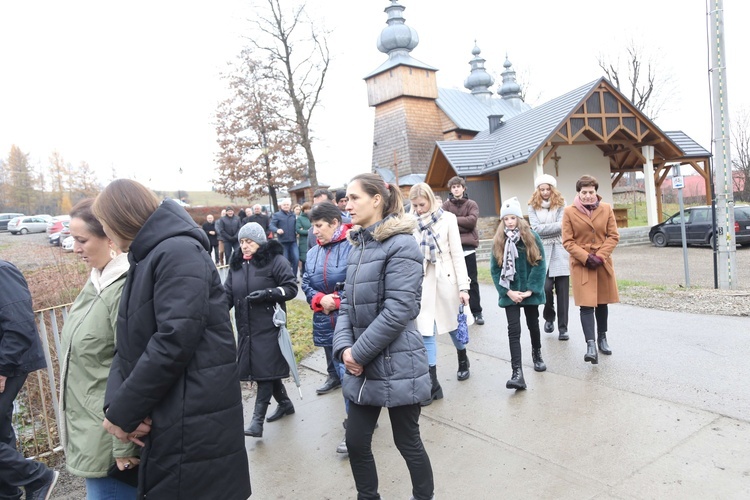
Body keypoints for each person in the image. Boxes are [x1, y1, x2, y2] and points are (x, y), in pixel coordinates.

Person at [92, 180, 251, 499]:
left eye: (106, 225)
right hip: (173, 413)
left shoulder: (177, 252)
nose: (106, 235)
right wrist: (118, 407)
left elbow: (174, 339)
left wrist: (124, 412)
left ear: (122, 219)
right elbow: (126, 343)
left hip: (193, 418)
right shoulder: (147, 256)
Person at [333, 173, 434, 500]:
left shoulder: (401, 244)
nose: (346, 205)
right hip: (362, 364)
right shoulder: (358, 244)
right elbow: (346, 305)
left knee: (407, 442)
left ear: (377, 199)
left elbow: (398, 310)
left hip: (397, 362)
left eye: (353, 198)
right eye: (346, 199)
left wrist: (356, 355)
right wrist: (344, 350)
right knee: (356, 441)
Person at [59, 198, 140, 499]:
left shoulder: (121, 288)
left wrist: (123, 445)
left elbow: (131, 368)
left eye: (82, 240)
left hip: (111, 446)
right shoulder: (95, 282)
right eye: (72, 239)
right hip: (90, 436)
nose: (75, 248)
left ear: (109, 237)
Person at [224, 222, 298, 438]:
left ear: (259, 242)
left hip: (269, 326)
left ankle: (257, 422)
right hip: (246, 327)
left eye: (249, 241)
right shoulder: (237, 265)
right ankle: (285, 403)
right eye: (241, 242)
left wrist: (269, 293)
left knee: (264, 372)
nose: (244, 246)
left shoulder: (275, 261)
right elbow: (227, 294)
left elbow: (291, 288)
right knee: (265, 369)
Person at [0, 260, 60, 500]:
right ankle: (8, 493)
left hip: (9, 364)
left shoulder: (2, 272)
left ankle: (38, 477)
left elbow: (20, 325)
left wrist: (2, 368)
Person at [408, 183, 472, 407]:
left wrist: (463, 287)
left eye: (421, 204)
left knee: (454, 327)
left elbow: (457, 255)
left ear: (430, 201)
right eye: (414, 205)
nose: (418, 209)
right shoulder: (410, 223)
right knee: (426, 331)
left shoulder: (447, 219)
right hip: (422, 283)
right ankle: (433, 384)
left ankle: (463, 357)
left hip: (446, 281)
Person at [301, 202, 353, 452]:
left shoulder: (353, 246)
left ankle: (353, 429)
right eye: (312, 226)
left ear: (335, 223)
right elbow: (305, 282)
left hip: (349, 323)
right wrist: (319, 299)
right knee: (343, 375)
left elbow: (360, 282)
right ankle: (361, 418)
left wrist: (338, 301)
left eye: (319, 226)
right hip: (325, 321)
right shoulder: (313, 252)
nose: (314, 231)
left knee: (348, 375)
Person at [562, 175, 620, 364]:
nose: (588, 196)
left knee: (602, 302)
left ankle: (602, 338)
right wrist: (586, 258)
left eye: (591, 192)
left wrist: (601, 256)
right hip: (582, 264)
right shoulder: (569, 212)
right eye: (584, 192)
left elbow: (613, 236)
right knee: (586, 305)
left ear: (596, 192)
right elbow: (568, 241)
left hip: (602, 262)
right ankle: (590, 345)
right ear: (578, 193)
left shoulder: (606, 209)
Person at [490, 197, 547, 390]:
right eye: (506, 219)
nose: (509, 222)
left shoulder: (531, 237)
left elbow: (540, 263)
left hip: (529, 292)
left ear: (519, 218)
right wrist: (507, 292)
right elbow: (495, 269)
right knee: (513, 331)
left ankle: (537, 354)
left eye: (513, 218)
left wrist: (531, 289)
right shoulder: (499, 240)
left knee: (533, 325)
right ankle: (517, 372)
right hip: (511, 293)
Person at [528, 174, 571, 340]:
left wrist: (547, 229)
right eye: (542, 189)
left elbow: (563, 226)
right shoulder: (533, 206)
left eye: (548, 189)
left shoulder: (561, 204)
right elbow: (535, 229)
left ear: (552, 189)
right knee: (545, 287)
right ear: (538, 190)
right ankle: (549, 316)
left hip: (560, 250)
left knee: (562, 291)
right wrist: (551, 229)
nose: (545, 192)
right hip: (542, 251)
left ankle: (563, 328)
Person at [442, 176, 485, 325]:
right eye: (453, 187)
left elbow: (472, 221)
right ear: (451, 189)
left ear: (463, 188)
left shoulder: (471, 204)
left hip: (468, 248)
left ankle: (477, 311)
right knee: (454, 282)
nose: (456, 189)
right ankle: (457, 312)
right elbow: (443, 223)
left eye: (458, 186)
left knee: (472, 281)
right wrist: (462, 221)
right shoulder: (446, 206)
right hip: (451, 250)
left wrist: (452, 220)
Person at [269, 198, 299, 277]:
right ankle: (287, 276)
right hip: (283, 242)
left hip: (293, 241)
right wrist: (277, 229)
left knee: (296, 258)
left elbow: (297, 225)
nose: (286, 206)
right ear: (281, 206)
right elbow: (271, 225)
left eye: (287, 205)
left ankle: (294, 276)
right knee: (285, 260)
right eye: (284, 205)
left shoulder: (293, 215)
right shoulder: (277, 215)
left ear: (290, 206)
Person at [296, 202, 312, 280]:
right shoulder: (300, 218)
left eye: (309, 209)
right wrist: (308, 231)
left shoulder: (312, 217)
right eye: (306, 209)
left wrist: (305, 230)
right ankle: (305, 275)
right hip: (304, 241)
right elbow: (298, 230)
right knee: (304, 259)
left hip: (312, 240)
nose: (308, 211)